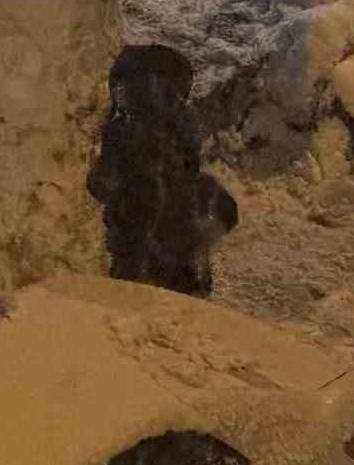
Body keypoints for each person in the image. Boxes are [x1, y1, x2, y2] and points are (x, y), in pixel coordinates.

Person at [86, 43, 239, 296]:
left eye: (126, 88)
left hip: (158, 247)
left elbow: (103, 183)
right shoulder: (124, 131)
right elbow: (103, 183)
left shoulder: (158, 132)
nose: (120, 95)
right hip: (142, 245)